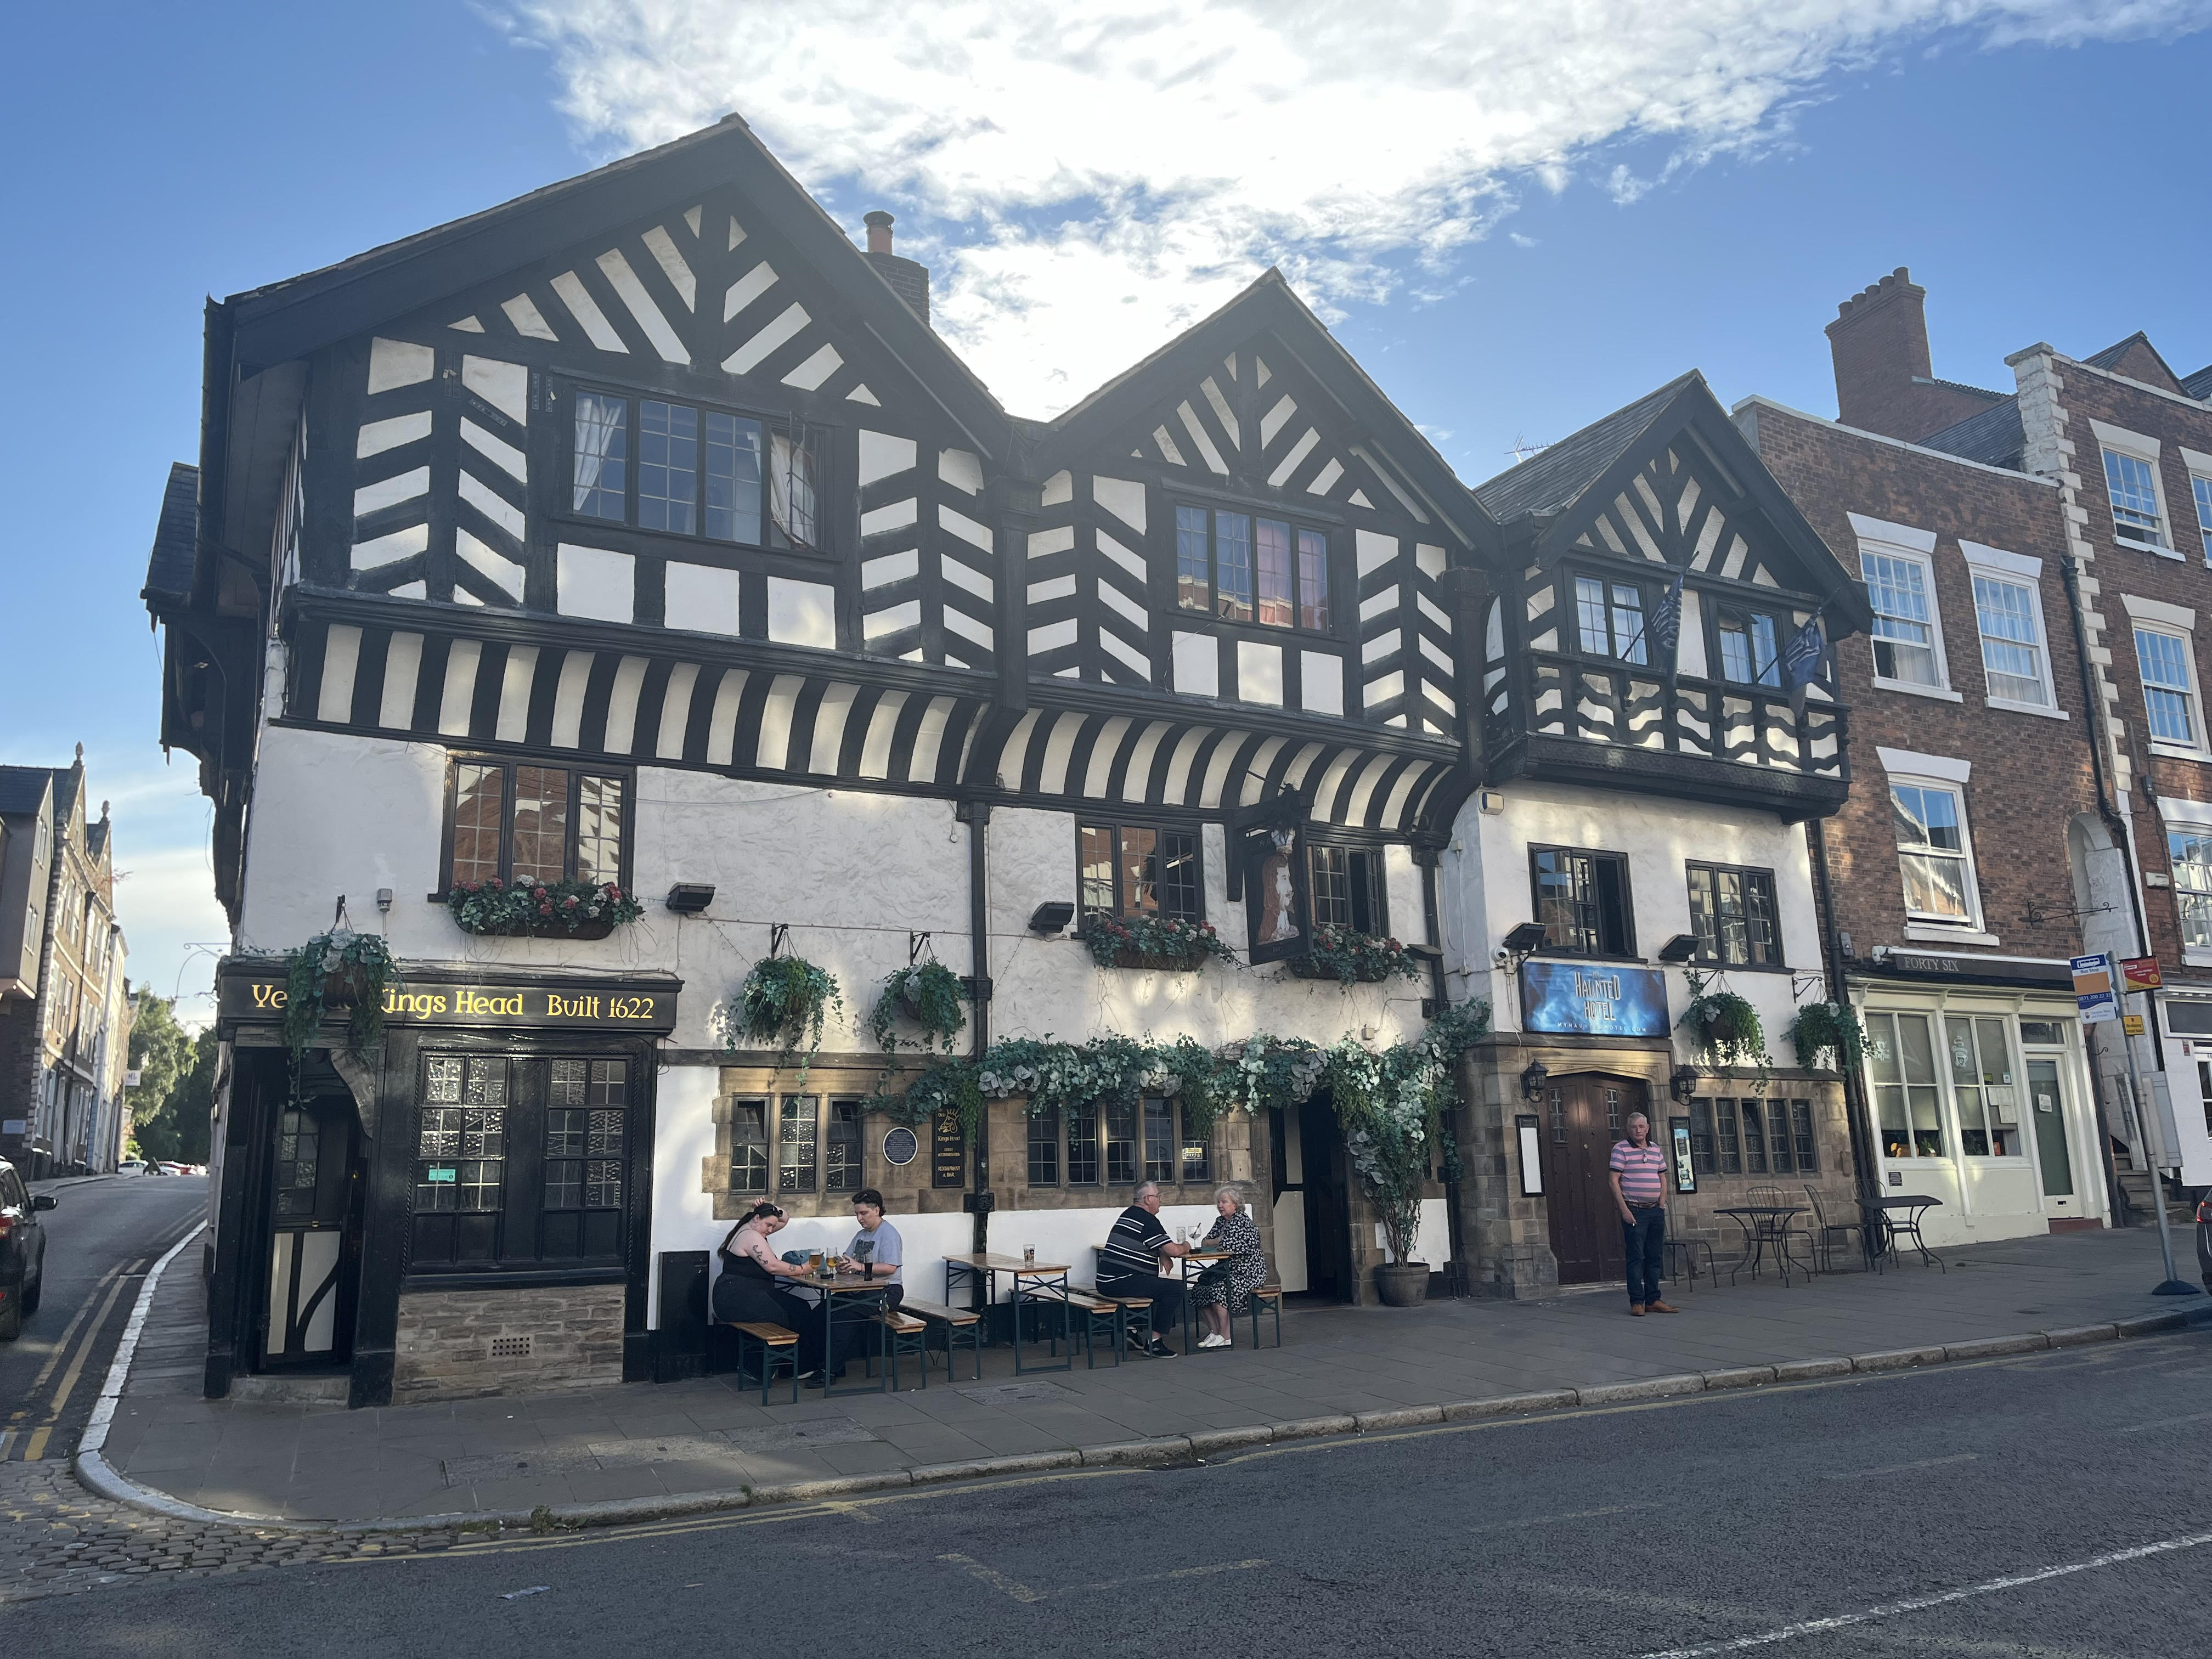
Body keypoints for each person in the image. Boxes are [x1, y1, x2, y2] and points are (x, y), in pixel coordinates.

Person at [713, 1201, 830, 1377]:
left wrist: (771, 1206)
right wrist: (802, 1270)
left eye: (772, 1226)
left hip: (750, 1292)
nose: (771, 1230)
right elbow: (773, 1267)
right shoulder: (751, 1236)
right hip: (735, 1297)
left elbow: (784, 1219)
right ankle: (758, 1368)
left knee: (800, 1308)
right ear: (757, 1218)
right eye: (768, 1225)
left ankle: (799, 1366)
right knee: (778, 1318)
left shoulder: (755, 1228)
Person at [1098, 1180, 1190, 1356]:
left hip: (1107, 1281)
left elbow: (1148, 1243)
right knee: (1175, 1289)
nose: (1160, 1200)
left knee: (1151, 1284)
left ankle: (1131, 1330)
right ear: (1148, 1199)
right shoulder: (1148, 1220)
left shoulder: (1129, 1214)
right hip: (1120, 1281)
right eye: (1158, 1197)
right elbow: (1175, 1251)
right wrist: (1186, 1245)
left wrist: (1161, 1253)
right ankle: (1155, 1342)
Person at [1610, 1112, 1678, 1317]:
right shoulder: (1620, 1149)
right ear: (1628, 1129)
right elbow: (1613, 1181)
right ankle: (1637, 1301)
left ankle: (1653, 1299)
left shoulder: (1656, 1149)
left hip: (1655, 1211)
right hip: (1635, 1210)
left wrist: (1662, 1202)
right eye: (1634, 1127)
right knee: (1636, 1257)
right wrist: (1625, 1210)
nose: (1638, 1131)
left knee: (1654, 1256)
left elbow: (1663, 1176)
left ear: (1648, 1128)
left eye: (1642, 1127)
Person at [1190, 1184, 1266, 1349]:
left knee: (1219, 1290)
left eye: (1224, 1202)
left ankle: (1226, 1336)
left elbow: (1227, 1247)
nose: (1220, 1206)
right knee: (1199, 1289)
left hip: (1247, 1272)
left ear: (1236, 1204)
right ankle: (1215, 1332)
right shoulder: (1221, 1222)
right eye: (1219, 1202)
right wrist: (1218, 1240)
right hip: (1226, 1270)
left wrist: (1218, 1242)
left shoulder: (1241, 1221)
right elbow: (1205, 1243)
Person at [836, 1188, 904, 1314]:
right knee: (823, 1311)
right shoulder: (861, 1234)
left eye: (863, 1213)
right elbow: (848, 1257)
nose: (859, 1218)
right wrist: (842, 1267)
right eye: (857, 1214)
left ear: (877, 1210)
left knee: (844, 1316)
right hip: (862, 1288)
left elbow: (890, 1267)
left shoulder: (889, 1234)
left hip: (887, 1289)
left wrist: (861, 1266)